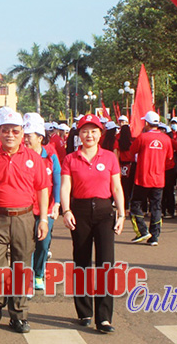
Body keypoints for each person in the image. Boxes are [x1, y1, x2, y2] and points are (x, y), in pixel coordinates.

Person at [0, 111, 49, 334]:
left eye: (15, 131)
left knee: (21, 268)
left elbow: (42, 189)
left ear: (22, 133)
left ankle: (19, 315)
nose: (10, 134)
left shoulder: (34, 158)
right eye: (5, 130)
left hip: (24, 219)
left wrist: (43, 219)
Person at [60, 114, 124, 334]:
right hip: (81, 212)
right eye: (85, 131)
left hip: (105, 212)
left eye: (94, 131)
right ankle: (84, 312)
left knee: (106, 263)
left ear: (100, 134)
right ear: (79, 135)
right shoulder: (71, 159)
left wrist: (122, 214)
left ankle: (104, 318)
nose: (89, 135)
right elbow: (66, 187)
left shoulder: (109, 158)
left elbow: (116, 188)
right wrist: (66, 210)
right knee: (82, 261)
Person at [22, 114, 60, 292]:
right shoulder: (21, 154)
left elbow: (57, 179)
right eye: (25, 135)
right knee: (26, 243)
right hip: (26, 207)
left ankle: (38, 273)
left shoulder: (50, 155)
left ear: (40, 137)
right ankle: (28, 277)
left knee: (43, 242)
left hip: (47, 207)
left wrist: (58, 203)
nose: (26, 139)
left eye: (29, 136)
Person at [128, 111, 173, 245]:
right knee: (156, 207)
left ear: (147, 123)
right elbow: (170, 157)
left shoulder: (142, 138)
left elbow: (132, 151)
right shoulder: (166, 139)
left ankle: (142, 231)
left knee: (135, 204)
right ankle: (155, 237)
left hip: (143, 178)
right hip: (158, 179)